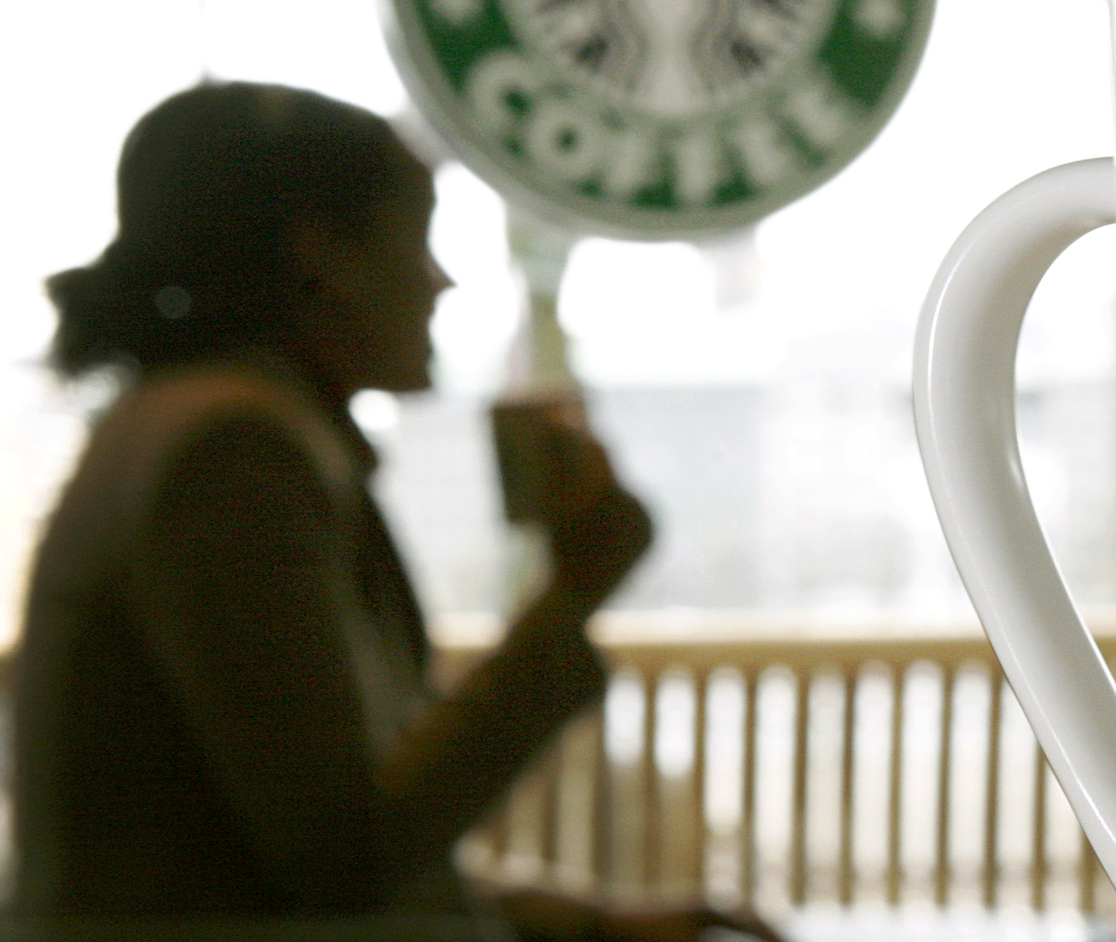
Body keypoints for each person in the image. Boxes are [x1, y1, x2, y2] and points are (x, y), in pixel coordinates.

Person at [9, 83, 779, 941]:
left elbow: (269, 864)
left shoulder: (196, 426)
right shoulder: (231, 457)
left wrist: (588, 922)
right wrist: (573, 596)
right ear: (323, 261)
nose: (441, 281)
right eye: (418, 238)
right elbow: (349, 861)